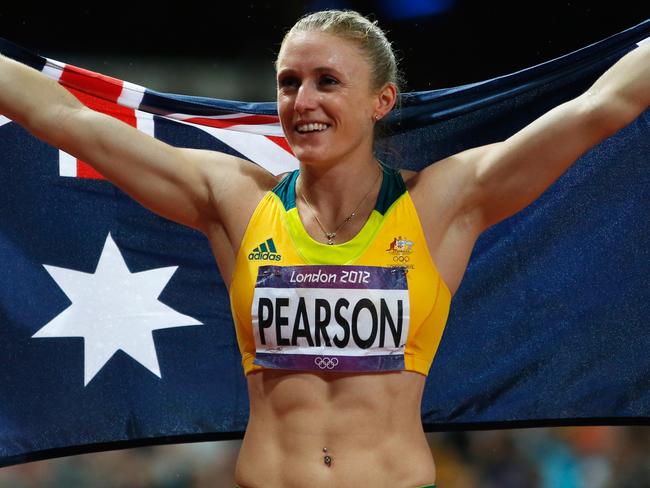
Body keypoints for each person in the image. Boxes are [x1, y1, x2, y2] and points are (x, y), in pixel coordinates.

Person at [1, 8, 648, 488]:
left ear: (381, 101)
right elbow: (68, 120)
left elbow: (602, 105)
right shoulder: (235, 201)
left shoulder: (441, 204)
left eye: (326, 82)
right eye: (289, 82)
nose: (301, 101)